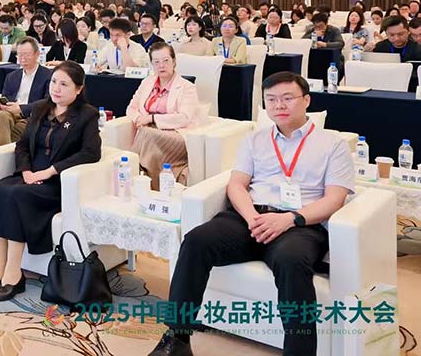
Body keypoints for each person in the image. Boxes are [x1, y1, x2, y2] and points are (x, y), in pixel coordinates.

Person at [148, 72, 354, 356]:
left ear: (306, 100)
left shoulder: (332, 144)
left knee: (292, 261)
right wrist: (251, 218)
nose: (279, 105)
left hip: (300, 224)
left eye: (287, 98)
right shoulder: (254, 139)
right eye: (271, 99)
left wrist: (290, 219)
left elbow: (335, 198)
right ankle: (178, 337)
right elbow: (236, 184)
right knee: (196, 240)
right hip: (250, 217)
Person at [0, 61, 101, 302]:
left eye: (64, 84)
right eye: (54, 82)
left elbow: (90, 153)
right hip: (29, 175)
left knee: (15, 196)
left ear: (78, 89)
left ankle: (14, 274)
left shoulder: (87, 115)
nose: (56, 88)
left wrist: (50, 172)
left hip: (56, 183)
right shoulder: (42, 107)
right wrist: (25, 171)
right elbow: (22, 144)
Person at [125, 42, 200, 188]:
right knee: (147, 133)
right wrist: (138, 118)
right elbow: (131, 108)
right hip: (150, 134)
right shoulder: (147, 82)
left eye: (166, 60)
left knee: (146, 133)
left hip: (177, 135)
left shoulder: (187, 87)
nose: (161, 66)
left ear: (174, 62)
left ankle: (135, 178)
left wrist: (152, 118)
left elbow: (184, 118)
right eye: (156, 62)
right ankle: (144, 182)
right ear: (152, 64)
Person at [0, 37, 52, 149]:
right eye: (19, 55)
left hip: (31, 116)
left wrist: (21, 108)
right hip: (10, 114)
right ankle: (0, 155)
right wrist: (1, 107)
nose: (22, 58)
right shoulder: (12, 76)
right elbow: (5, 98)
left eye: (26, 54)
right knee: (0, 116)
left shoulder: (48, 75)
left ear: (37, 54)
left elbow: (48, 102)